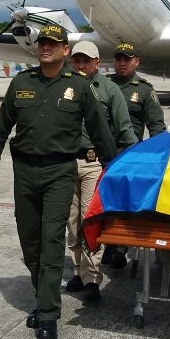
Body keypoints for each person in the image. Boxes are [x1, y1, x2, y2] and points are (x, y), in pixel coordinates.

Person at [0, 24, 117, 339]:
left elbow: (99, 130)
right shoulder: (22, 83)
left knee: (52, 239)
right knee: (30, 242)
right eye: (42, 42)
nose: (46, 47)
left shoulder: (79, 87)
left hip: (60, 172)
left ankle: (47, 315)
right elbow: (2, 126)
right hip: (25, 172)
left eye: (53, 43)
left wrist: (110, 166)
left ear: (65, 50)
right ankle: (44, 295)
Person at [65, 41, 136, 302]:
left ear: (97, 62)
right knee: (71, 222)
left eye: (86, 61)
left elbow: (124, 128)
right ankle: (78, 271)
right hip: (65, 163)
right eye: (77, 60)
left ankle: (92, 276)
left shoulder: (109, 90)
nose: (81, 66)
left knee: (89, 220)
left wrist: (129, 163)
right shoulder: (65, 87)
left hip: (94, 164)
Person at [104, 42, 166, 268]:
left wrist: (156, 157)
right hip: (101, 153)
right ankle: (108, 243)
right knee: (100, 202)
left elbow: (157, 126)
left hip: (128, 155)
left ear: (136, 62)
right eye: (118, 58)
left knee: (122, 203)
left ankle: (118, 246)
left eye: (127, 59)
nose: (122, 63)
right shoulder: (103, 84)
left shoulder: (144, 90)